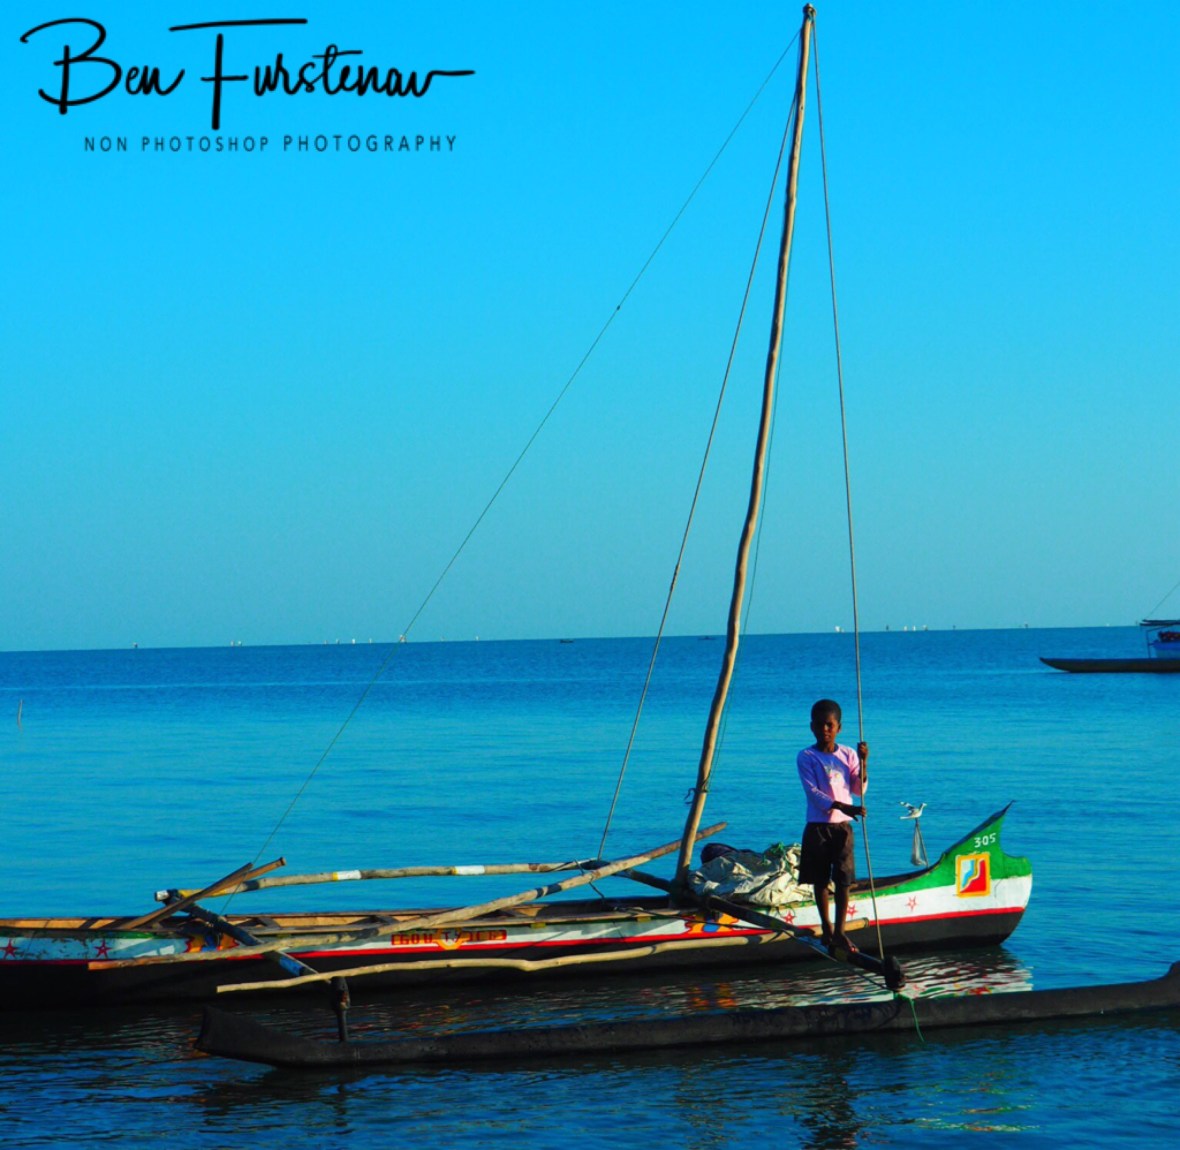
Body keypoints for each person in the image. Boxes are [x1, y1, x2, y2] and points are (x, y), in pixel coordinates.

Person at [796, 698, 867, 953]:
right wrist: (843, 807)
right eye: (819, 724)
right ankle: (826, 928)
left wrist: (864, 761)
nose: (824, 729)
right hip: (818, 826)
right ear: (811, 726)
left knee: (844, 880)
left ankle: (840, 932)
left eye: (829, 724)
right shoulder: (806, 756)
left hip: (842, 828)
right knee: (820, 879)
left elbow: (859, 789)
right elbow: (813, 793)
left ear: (839, 727)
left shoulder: (847, 754)